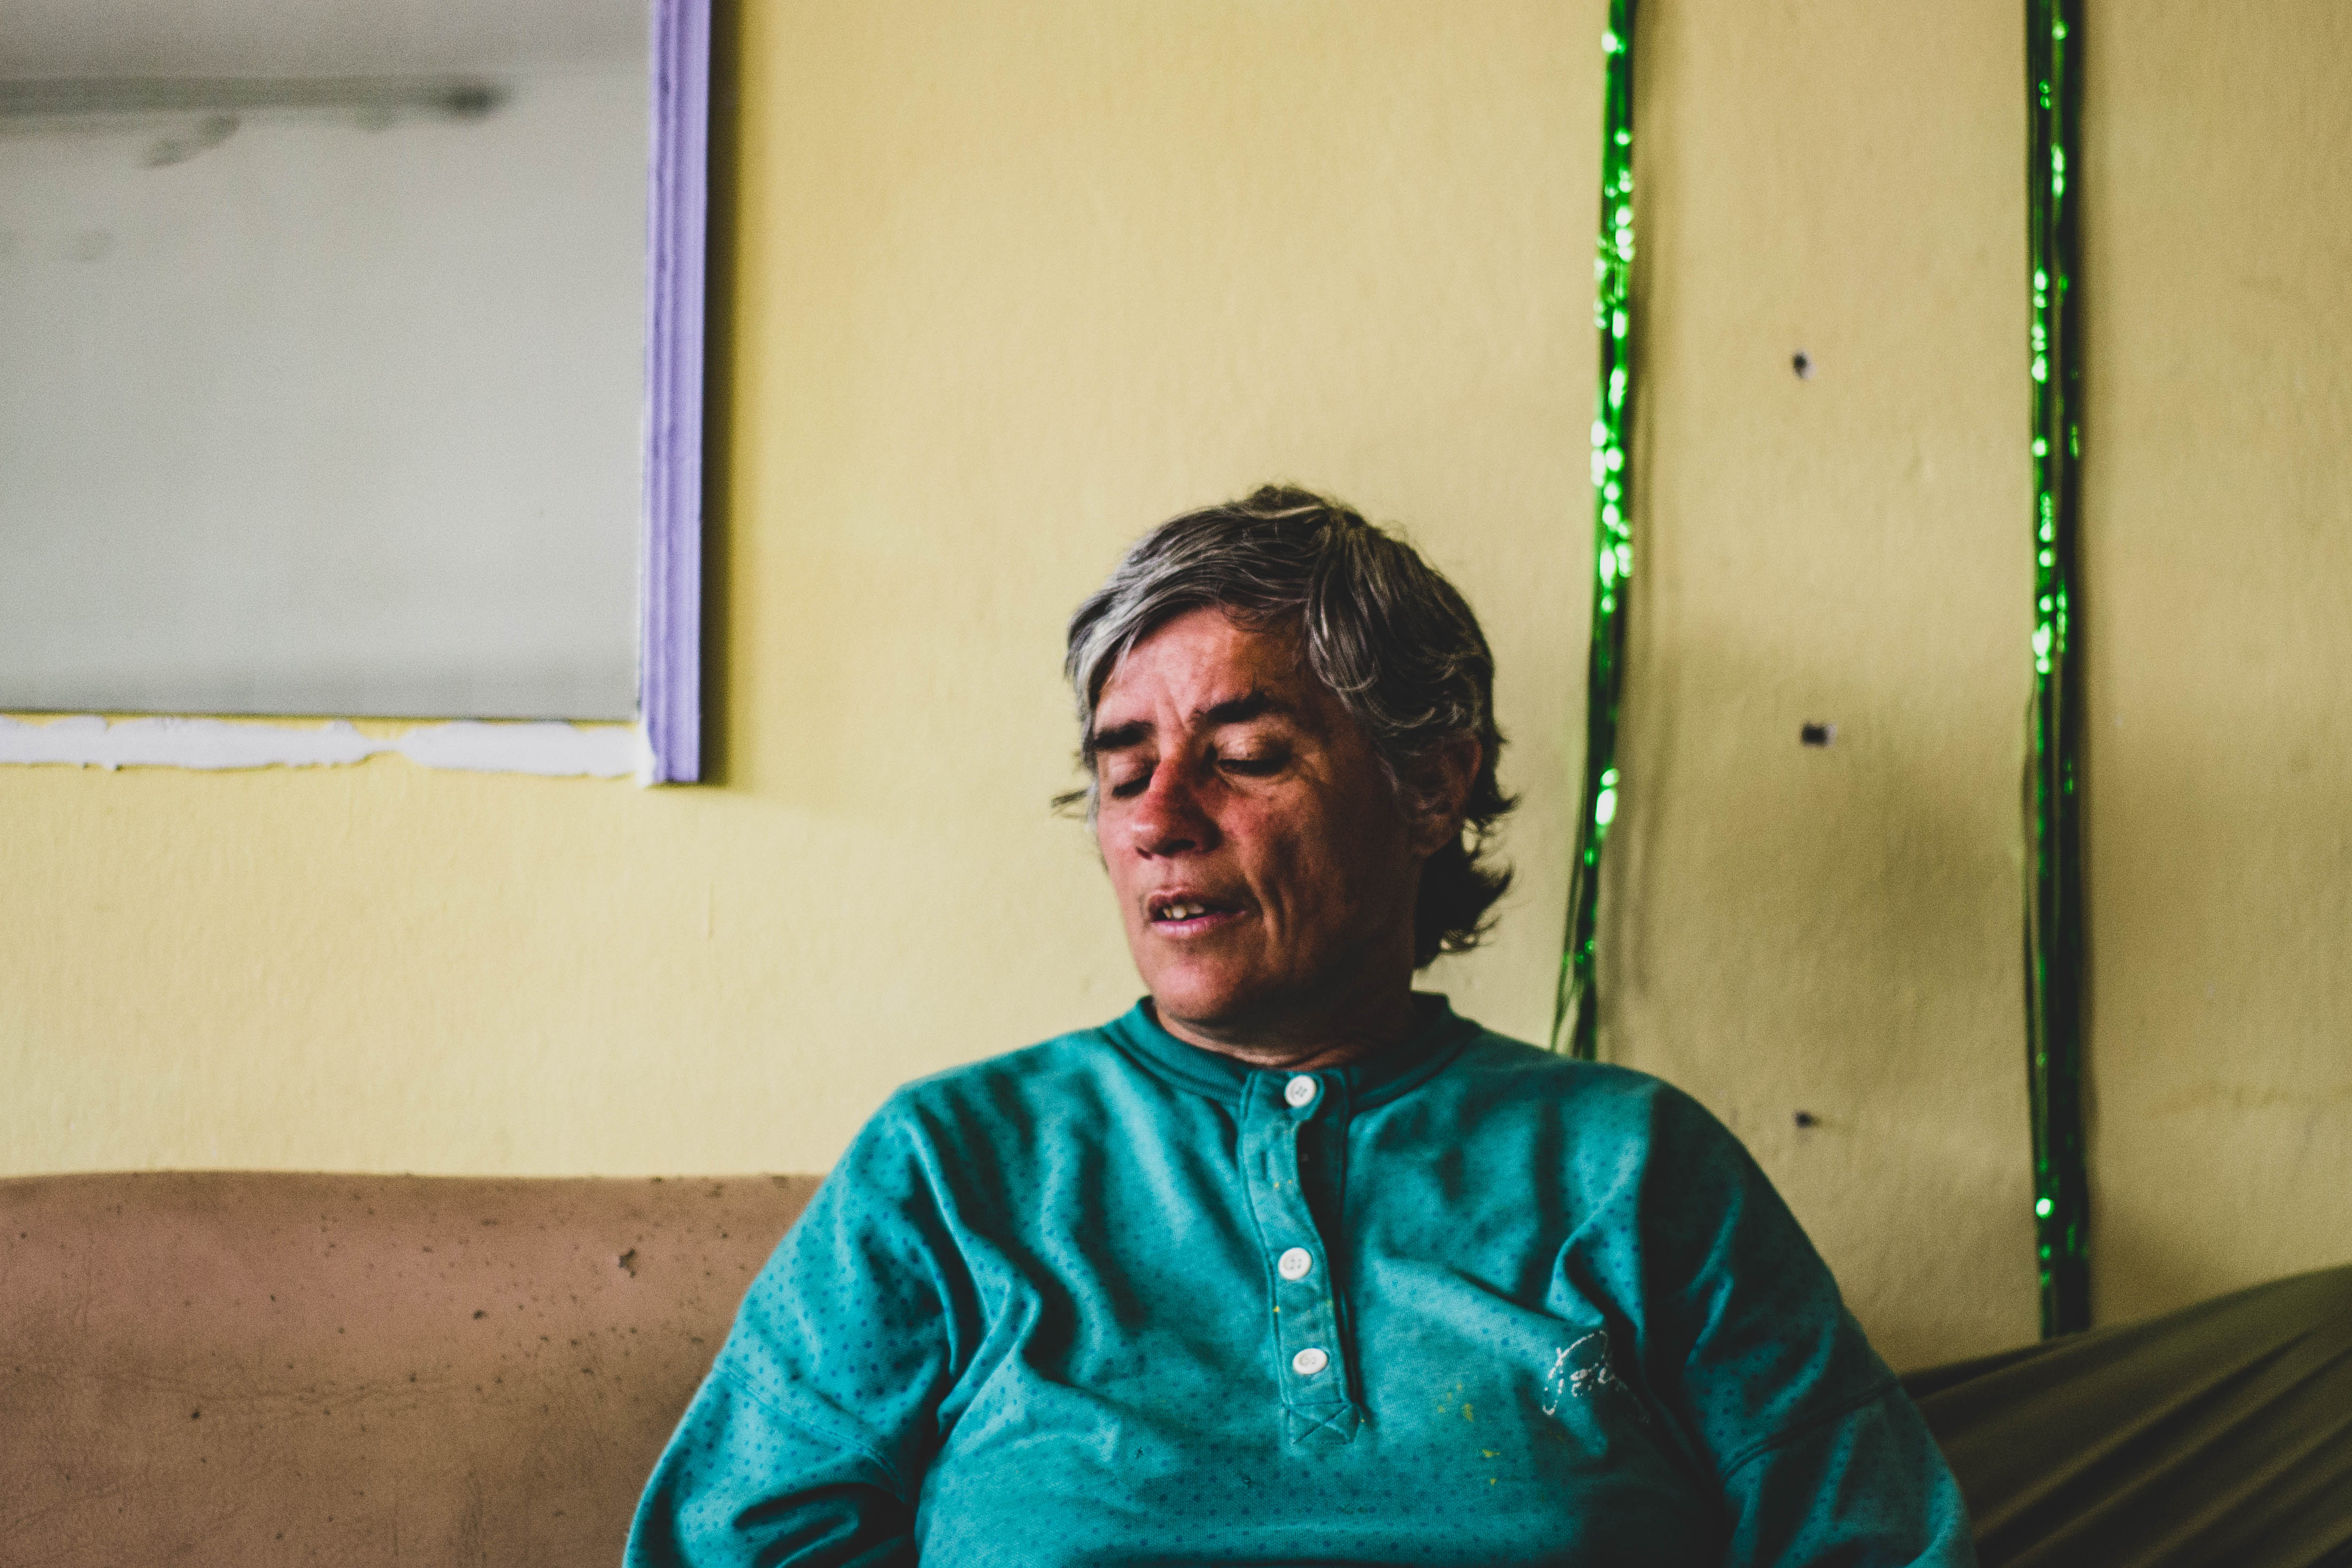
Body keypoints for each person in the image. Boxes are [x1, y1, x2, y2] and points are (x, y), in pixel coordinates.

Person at [627, 486, 1977, 1566]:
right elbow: (736, 1542)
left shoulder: (1634, 1171)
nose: (1160, 819)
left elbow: (1873, 1542)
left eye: (1246, 755)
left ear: (1430, 786)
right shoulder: (954, 1166)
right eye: (1123, 769)